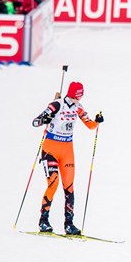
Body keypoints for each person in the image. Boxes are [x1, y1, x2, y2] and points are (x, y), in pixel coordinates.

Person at [32, 82, 104, 235]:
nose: (81, 97)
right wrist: (46, 118)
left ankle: (69, 224)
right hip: (50, 150)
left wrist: (97, 121)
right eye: (80, 94)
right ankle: (43, 221)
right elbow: (35, 122)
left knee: (69, 188)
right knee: (53, 184)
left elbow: (90, 125)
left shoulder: (78, 107)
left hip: (67, 151)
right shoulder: (57, 105)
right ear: (75, 94)